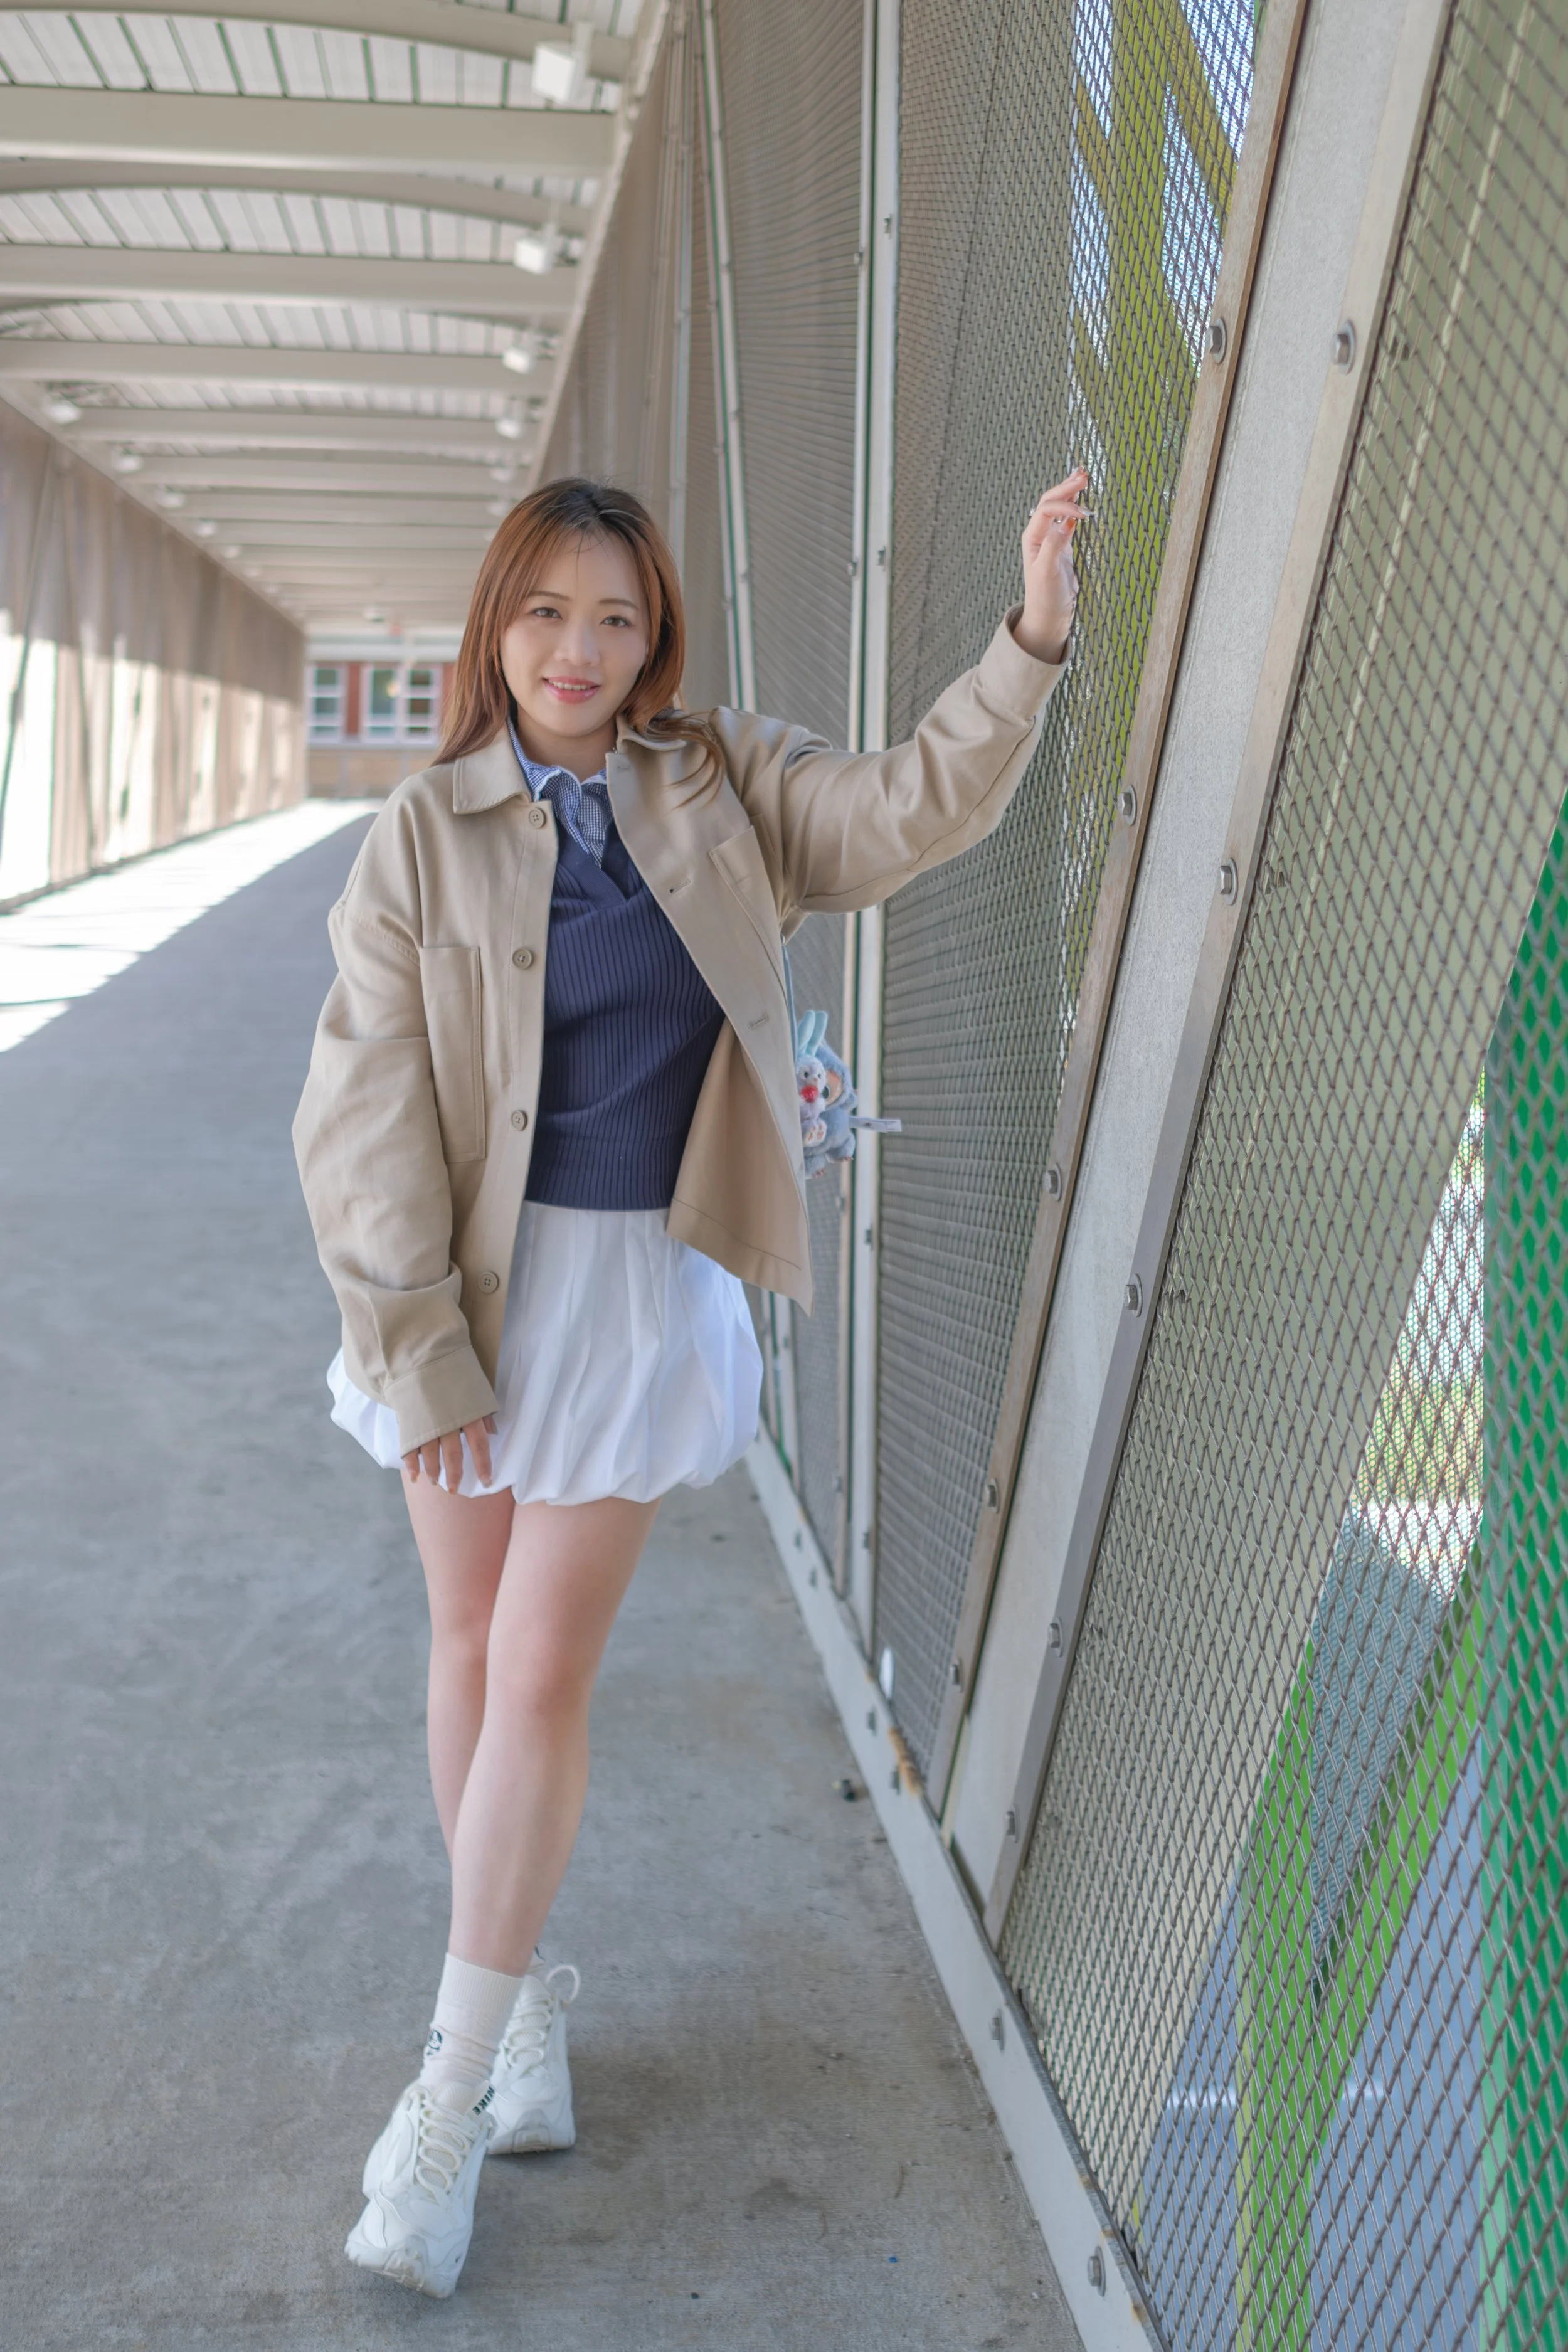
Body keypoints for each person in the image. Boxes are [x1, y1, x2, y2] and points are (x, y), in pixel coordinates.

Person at [292, 467, 1086, 2297]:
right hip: (458, 1297)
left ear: (658, 644)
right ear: (499, 626)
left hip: (631, 1291)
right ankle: (517, 2010)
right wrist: (416, 1344)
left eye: (618, 619)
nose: (580, 650)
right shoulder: (420, 831)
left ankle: (440, 2098)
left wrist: (1028, 628)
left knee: (542, 1667)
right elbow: (361, 1111)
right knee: (470, 1654)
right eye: (548, 613)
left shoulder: (719, 786)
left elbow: (908, 808)